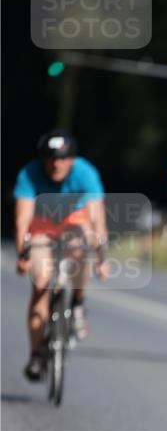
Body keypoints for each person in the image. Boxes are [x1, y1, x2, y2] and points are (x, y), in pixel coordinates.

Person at [14, 129, 108, 381]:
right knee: (41, 282)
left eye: (63, 158)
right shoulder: (29, 174)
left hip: (73, 222)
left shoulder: (85, 173)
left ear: (72, 159)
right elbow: (22, 218)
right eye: (51, 158)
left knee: (83, 244)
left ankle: (77, 301)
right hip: (42, 224)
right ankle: (35, 355)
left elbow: (97, 216)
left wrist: (101, 257)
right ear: (43, 158)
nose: (56, 164)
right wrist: (22, 254)